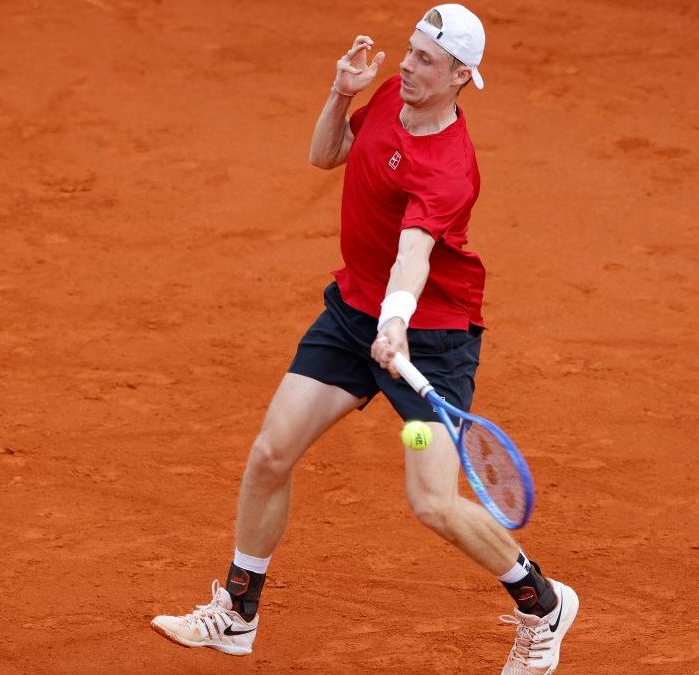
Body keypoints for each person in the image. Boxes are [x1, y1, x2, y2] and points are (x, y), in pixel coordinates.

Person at [150, 5, 578, 673]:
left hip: (430, 339)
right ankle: (236, 615)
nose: (406, 65)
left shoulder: (449, 168)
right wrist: (341, 91)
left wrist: (397, 321)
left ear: (461, 76)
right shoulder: (389, 95)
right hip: (353, 314)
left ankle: (542, 603)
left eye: (425, 60)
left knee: (432, 503)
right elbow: (325, 156)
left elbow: (414, 255)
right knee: (270, 454)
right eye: (410, 51)